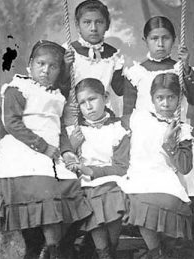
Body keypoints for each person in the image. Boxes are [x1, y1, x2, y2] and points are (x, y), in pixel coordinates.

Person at [0, 40, 92, 259]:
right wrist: (43, 146)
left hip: (52, 153)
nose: (46, 70)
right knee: (46, 193)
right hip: (26, 149)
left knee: (76, 191)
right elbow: (12, 123)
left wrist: (66, 151)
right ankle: (45, 249)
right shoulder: (17, 88)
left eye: (53, 67)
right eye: (41, 64)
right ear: (30, 64)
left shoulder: (56, 96)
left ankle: (53, 248)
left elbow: (60, 129)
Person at [123, 16, 194, 238]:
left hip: (176, 133)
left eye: (166, 38)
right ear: (146, 40)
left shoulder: (181, 69)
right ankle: (146, 226)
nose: (160, 44)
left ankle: (189, 233)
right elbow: (128, 112)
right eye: (154, 38)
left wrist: (186, 68)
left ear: (174, 40)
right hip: (146, 139)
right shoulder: (136, 73)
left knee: (187, 178)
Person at [119, 72, 194, 258]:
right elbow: (111, 128)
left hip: (165, 177)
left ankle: (160, 251)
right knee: (141, 202)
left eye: (171, 98)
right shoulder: (138, 119)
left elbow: (185, 168)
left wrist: (169, 142)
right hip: (139, 173)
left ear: (178, 99)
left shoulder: (181, 129)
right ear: (152, 99)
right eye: (160, 98)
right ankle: (155, 252)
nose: (165, 103)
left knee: (171, 204)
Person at [64, 78, 130, 259]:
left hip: (114, 179)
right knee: (93, 196)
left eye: (92, 99)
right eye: (82, 103)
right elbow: (66, 165)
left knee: (112, 193)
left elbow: (122, 167)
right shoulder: (76, 131)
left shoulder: (119, 128)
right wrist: (71, 146)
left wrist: (92, 171)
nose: (88, 107)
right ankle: (104, 252)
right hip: (86, 184)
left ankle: (110, 248)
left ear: (105, 97)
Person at [63, 0, 125, 119]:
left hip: (104, 115)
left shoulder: (113, 56)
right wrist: (66, 67)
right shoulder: (68, 51)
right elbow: (59, 85)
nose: (93, 28)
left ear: (107, 25)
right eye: (87, 22)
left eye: (99, 22)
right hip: (75, 114)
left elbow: (120, 90)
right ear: (77, 25)